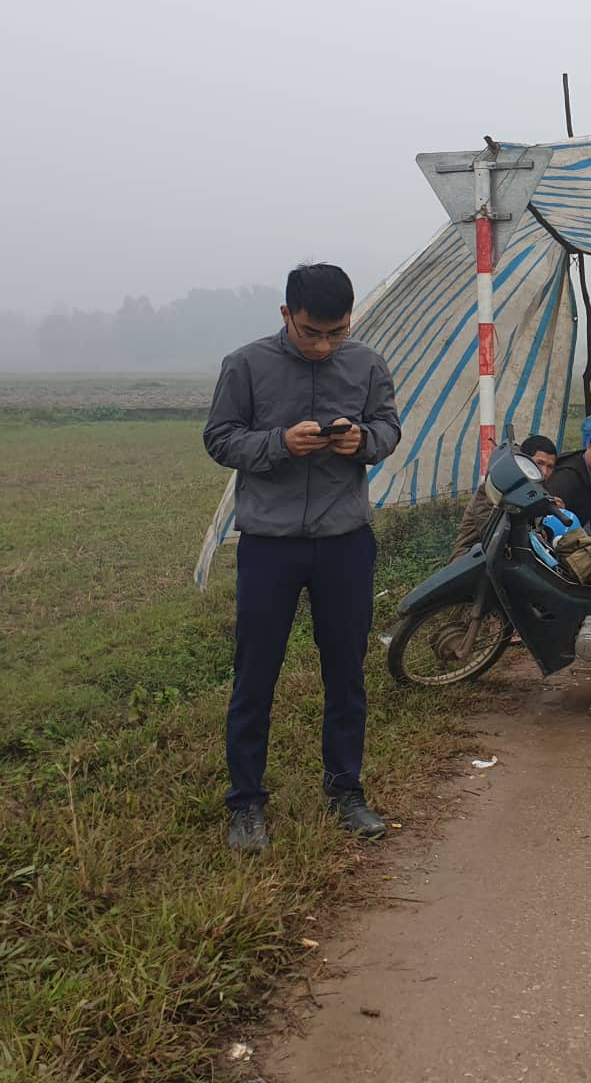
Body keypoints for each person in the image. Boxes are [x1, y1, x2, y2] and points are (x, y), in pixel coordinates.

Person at [203, 262, 402, 854]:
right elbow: (219, 438)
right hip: (269, 545)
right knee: (254, 675)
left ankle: (345, 790)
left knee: (345, 673)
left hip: (345, 540)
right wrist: (277, 444)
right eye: (311, 332)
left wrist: (362, 442)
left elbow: (388, 427)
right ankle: (245, 805)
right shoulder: (245, 365)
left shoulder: (366, 363)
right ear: (286, 315)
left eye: (336, 333)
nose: (323, 346)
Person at [450, 434, 556, 558]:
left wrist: (552, 517)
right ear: (524, 460)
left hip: (514, 562)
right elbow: (492, 534)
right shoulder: (494, 488)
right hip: (472, 563)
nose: (544, 472)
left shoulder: (540, 492)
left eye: (550, 467)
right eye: (539, 463)